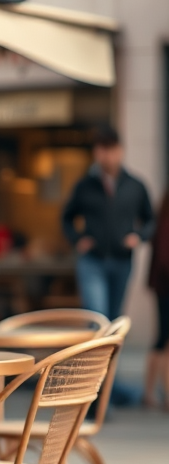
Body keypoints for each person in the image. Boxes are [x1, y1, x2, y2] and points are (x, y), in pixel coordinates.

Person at [62, 127, 154, 407]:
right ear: (96, 152)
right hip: (93, 262)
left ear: (120, 150)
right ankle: (94, 394)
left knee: (113, 327)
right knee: (98, 322)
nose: (106, 155)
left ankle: (106, 392)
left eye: (110, 149)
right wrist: (78, 239)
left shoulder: (135, 185)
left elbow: (150, 220)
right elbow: (66, 218)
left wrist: (138, 237)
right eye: (101, 150)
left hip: (121, 263)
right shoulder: (84, 185)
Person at [144, 190, 169, 410]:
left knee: (162, 339)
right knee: (164, 340)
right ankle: (159, 394)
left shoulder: (161, 219)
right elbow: (164, 259)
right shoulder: (165, 222)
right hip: (165, 287)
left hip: (161, 287)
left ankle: (151, 392)